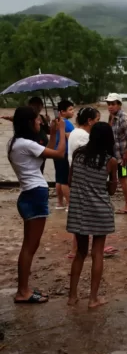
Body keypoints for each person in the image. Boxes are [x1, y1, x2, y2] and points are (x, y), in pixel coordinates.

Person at [8, 106, 66, 303]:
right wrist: (60, 132)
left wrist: (51, 132)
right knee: (29, 247)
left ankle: (24, 288)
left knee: (29, 246)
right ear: (28, 122)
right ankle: (22, 292)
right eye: (36, 120)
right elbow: (58, 154)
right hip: (34, 194)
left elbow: (46, 153)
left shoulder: (16, 143)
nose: (39, 122)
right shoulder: (26, 144)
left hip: (29, 194)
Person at [66, 122, 118, 309]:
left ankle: (72, 296)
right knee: (97, 254)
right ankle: (92, 299)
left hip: (79, 210)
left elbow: (70, 180)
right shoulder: (110, 161)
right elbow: (112, 190)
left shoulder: (78, 155)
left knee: (80, 252)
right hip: (100, 211)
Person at [66, 107, 102, 259]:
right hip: (85, 180)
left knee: (81, 215)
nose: (97, 124)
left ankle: (75, 249)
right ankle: (79, 249)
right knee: (87, 216)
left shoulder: (75, 132)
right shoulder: (84, 136)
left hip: (78, 178)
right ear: (89, 121)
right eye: (97, 121)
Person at [3, 97, 51, 174]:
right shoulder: (27, 143)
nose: (38, 108)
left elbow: (48, 130)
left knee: (40, 167)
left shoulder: (42, 117)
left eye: (40, 105)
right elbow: (58, 154)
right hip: (36, 146)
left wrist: (49, 123)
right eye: (35, 106)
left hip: (43, 145)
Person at [53, 100, 75, 210]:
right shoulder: (67, 123)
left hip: (56, 152)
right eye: (70, 109)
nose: (73, 112)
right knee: (65, 180)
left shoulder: (57, 121)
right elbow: (71, 138)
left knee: (59, 179)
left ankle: (60, 203)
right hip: (64, 153)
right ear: (62, 111)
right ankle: (70, 204)